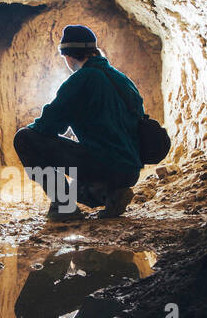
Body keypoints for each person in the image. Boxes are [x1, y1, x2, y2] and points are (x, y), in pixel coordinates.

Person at [13, 24, 143, 219]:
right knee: (76, 188)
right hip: (130, 170)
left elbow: (47, 125)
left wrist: (37, 129)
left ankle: (63, 207)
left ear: (68, 55)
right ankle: (110, 194)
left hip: (105, 164)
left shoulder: (81, 79)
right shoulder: (122, 79)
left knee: (24, 138)